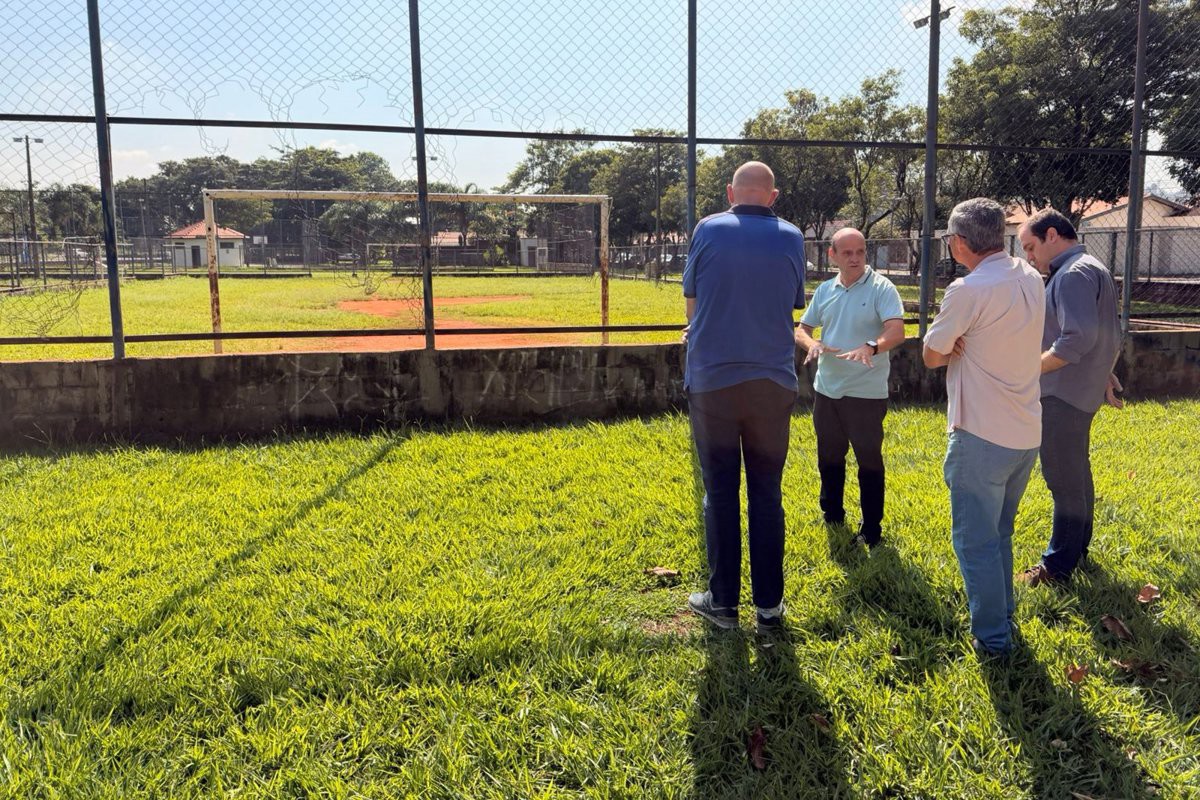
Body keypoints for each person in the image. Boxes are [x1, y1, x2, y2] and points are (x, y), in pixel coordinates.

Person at [683, 161, 807, 635]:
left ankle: (723, 605)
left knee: (720, 491)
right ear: (772, 197)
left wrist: (699, 330)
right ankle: (770, 609)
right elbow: (793, 300)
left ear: (731, 192)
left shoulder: (709, 228)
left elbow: (691, 293)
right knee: (766, 493)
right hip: (772, 383)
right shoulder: (792, 235)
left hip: (713, 380)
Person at [923, 198, 1045, 655]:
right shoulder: (1030, 275)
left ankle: (993, 640)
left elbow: (932, 356)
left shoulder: (967, 290)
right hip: (1025, 432)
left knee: (976, 544)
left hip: (981, 436)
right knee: (999, 534)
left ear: (957, 243)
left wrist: (955, 343)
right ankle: (1003, 618)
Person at [1016, 208, 1123, 586]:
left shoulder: (1073, 273)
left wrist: (1028, 369)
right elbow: (1105, 331)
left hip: (1063, 392)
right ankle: (1076, 549)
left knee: (1063, 477)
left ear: (1051, 235)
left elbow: (1076, 338)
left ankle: (1056, 567)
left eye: (1030, 247)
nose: (1029, 256)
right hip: (1080, 388)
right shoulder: (1090, 266)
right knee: (1076, 472)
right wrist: (1105, 371)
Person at [794, 228, 905, 548]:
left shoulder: (883, 288)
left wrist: (871, 346)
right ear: (832, 255)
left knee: (868, 459)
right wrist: (811, 343)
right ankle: (832, 515)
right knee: (829, 455)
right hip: (827, 389)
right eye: (847, 253)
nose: (855, 258)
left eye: (860, 252)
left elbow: (895, 331)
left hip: (865, 393)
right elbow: (802, 328)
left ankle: (871, 529)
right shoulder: (826, 289)